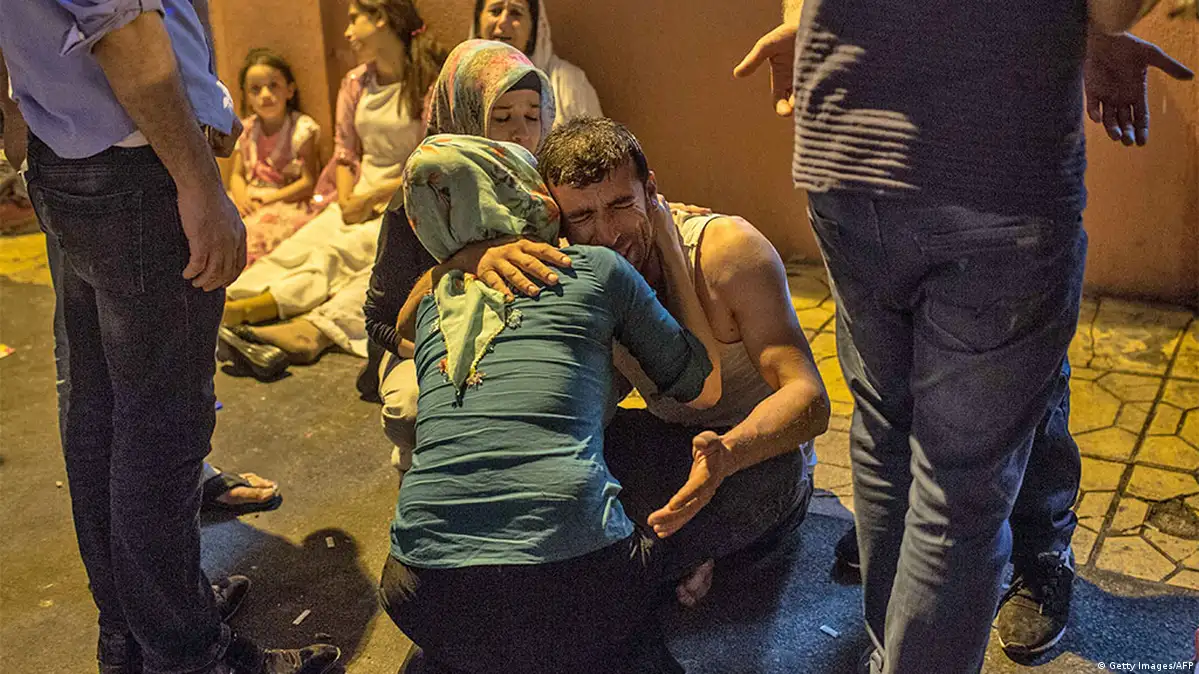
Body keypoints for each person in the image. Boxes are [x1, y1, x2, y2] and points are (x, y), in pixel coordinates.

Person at [734, 1, 1192, 671]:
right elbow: (1111, 7)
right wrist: (1095, 31)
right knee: (957, 491)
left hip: (846, 151)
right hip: (994, 169)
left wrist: (809, 19)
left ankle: (895, 652)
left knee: (885, 432)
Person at [0, 1, 338, 672]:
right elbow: (125, 33)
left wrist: (22, 132)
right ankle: (188, 653)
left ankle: (137, 627)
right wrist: (198, 181)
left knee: (100, 412)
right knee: (161, 428)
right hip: (137, 168)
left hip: (66, 155)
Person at [379, 133, 720, 674]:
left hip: (417, 592)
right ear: (533, 197)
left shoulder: (430, 305)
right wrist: (672, 250)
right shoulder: (597, 270)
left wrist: (457, 262)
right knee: (686, 459)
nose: (602, 229)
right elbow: (699, 386)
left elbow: (397, 329)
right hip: (578, 580)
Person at [217, 0, 445, 379]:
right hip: (355, 194)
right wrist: (347, 198)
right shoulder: (356, 83)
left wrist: (371, 199)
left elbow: (431, 157)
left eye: (355, 19)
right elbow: (345, 152)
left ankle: (257, 313)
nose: (347, 32)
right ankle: (231, 304)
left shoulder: (428, 84)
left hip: (403, 201)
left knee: (340, 255)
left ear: (381, 19)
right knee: (302, 245)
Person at [366, 39, 559, 475]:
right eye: (502, 118)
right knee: (414, 410)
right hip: (430, 341)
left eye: (532, 116)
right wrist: (461, 267)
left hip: (524, 335)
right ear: (465, 115)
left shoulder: (546, 188)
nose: (522, 134)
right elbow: (379, 320)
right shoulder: (422, 195)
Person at [229, 48, 322, 265]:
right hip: (250, 199)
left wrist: (269, 200)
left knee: (258, 239)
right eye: (255, 89)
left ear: (290, 90)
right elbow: (237, 174)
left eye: (273, 86)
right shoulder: (246, 130)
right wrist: (241, 199)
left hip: (283, 201)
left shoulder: (301, 129)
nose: (265, 95)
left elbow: (308, 181)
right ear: (246, 96)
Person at [470, 0, 603, 123]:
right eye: (495, 11)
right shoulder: (465, 84)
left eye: (516, 13)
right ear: (478, 22)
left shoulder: (567, 84)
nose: (503, 22)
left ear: (534, 28)